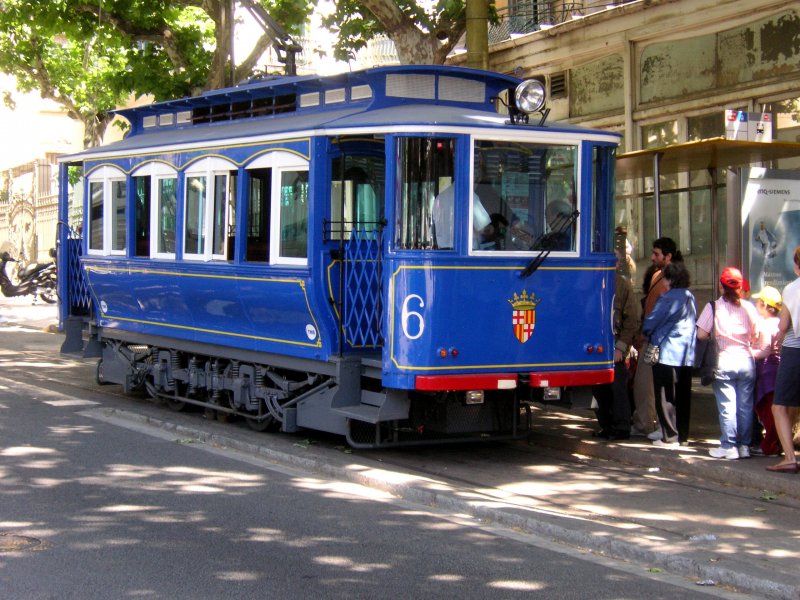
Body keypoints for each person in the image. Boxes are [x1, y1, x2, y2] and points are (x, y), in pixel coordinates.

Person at [696, 267, 759, 460]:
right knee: (745, 406)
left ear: (721, 286)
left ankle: (729, 445)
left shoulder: (713, 307)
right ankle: (744, 446)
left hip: (723, 359)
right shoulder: (749, 307)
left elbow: (701, 334)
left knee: (727, 406)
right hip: (746, 360)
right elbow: (756, 335)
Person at [631, 237, 682, 440]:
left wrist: (644, 333)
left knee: (649, 384)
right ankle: (648, 422)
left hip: (657, 339)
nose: (652, 257)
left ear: (668, 256)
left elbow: (661, 312)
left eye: (656, 254)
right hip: (653, 337)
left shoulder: (671, 280)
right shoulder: (658, 276)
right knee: (647, 384)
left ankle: (651, 424)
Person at [641, 261, 696, 446]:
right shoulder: (689, 296)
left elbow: (651, 322)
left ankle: (670, 436)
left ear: (670, 279)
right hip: (686, 353)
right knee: (683, 397)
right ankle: (683, 436)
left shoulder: (667, 297)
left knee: (665, 397)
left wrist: (647, 331)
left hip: (667, 352)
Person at [592, 249, 641, 440]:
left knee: (617, 388)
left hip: (615, 345)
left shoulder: (622, 286)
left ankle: (622, 427)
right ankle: (606, 425)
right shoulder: (590, 282)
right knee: (598, 390)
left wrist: (621, 347)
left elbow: (631, 321)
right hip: (596, 345)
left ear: (618, 264)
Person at [766, 246, 800, 474]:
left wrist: (777, 336)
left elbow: (784, 324)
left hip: (794, 350)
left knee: (779, 406)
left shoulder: (791, 289)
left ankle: (789, 457)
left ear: (797, 266)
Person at [750, 285, 783, 456]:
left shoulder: (766, 325)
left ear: (764, 305)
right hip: (777, 368)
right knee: (776, 410)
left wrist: (747, 352)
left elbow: (763, 351)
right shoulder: (780, 323)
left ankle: (769, 445)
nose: (755, 303)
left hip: (766, 372)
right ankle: (776, 443)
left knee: (767, 411)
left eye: (758, 301)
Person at [432, 183, 491, 250]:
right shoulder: (469, 196)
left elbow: (436, 221)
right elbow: (483, 228)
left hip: (444, 251)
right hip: (467, 251)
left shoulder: (440, 198)